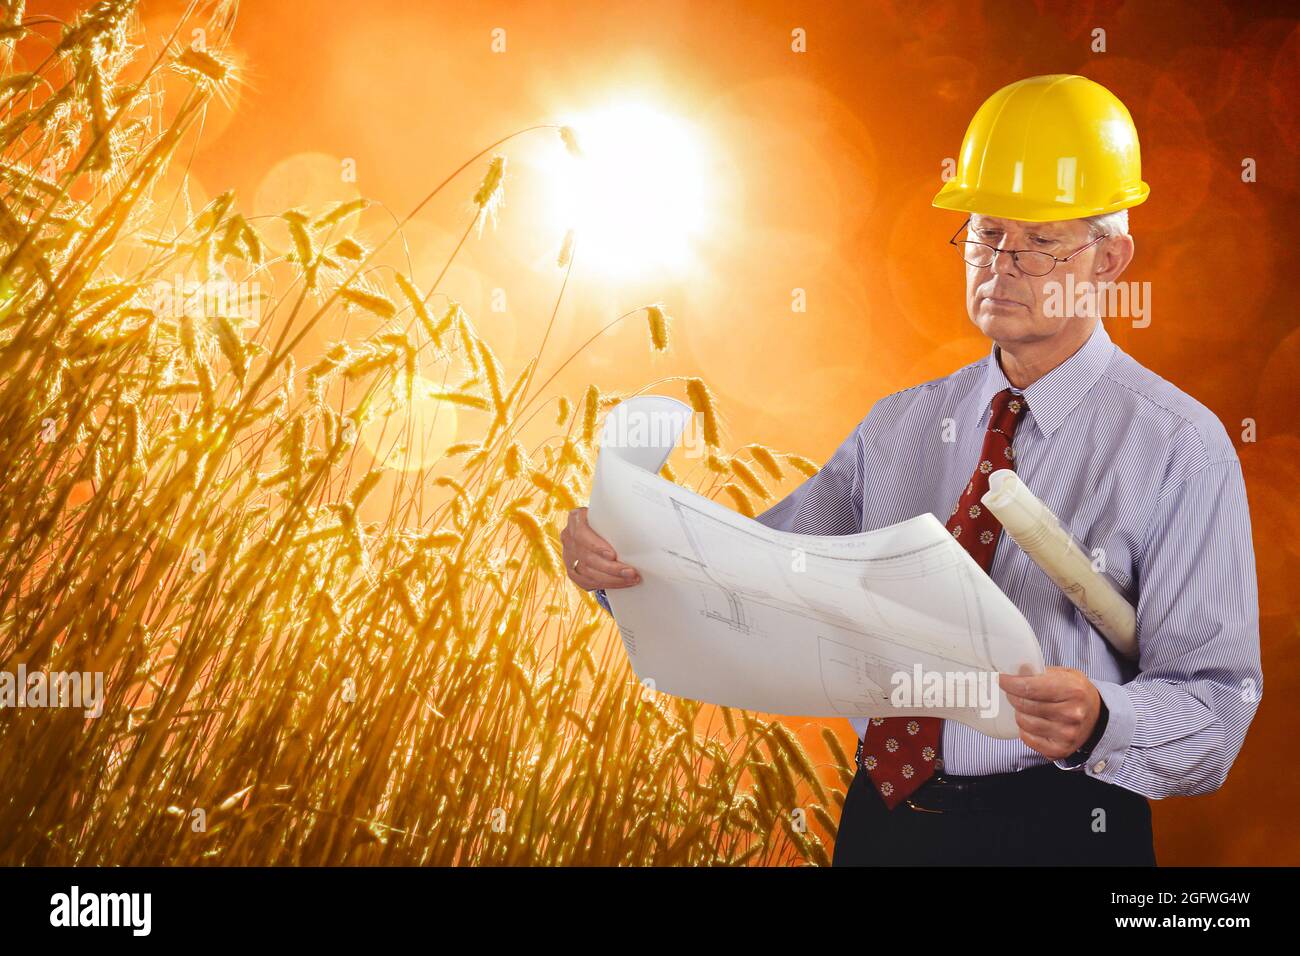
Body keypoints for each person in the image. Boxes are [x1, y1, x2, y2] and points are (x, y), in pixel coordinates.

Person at [560, 74, 1262, 866]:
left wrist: (1105, 720)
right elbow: (751, 582)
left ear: (1110, 259)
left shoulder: (1178, 446)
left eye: (1040, 243)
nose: (1003, 265)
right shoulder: (897, 428)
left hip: (1064, 829)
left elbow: (1216, 704)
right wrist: (620, 562)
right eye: (988, 234)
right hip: (886, 823)